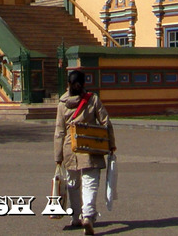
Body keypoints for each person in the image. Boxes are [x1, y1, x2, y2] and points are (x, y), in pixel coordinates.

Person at [53, 68, 115, 234]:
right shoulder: (93, 100)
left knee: (73, 183)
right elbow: (106, 122)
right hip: (90, 147)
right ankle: (87, 215)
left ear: (68, 85)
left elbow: (59, 132)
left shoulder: (61, 104)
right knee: (90, 182)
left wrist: (58, 156)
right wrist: (111, 144)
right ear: (84, 84)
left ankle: (75, 217)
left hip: (69, 149)